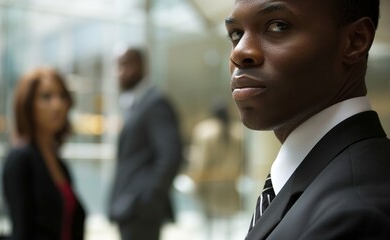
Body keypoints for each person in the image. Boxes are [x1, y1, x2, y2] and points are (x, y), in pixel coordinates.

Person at [225, 0, 390, 239]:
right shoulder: (326, 178)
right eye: (237, 34)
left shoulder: (357, 214)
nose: (240, 52)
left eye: (278, 26)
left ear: (356, 41)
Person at [108, 46, 183, 240]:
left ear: (143, 67)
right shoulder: (137, 104)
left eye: (125, 65)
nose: (119, 73)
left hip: (140, 212)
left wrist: (145, 200)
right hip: (130, 210)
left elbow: (171, 157)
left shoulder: (155, 103)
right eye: (117, 66)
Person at [2, 67, 86, 240]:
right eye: (46, 97)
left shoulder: (59, 162)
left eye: (62, 96)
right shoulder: (20, 160)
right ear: (28, 105)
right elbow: (22, 233)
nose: (57, 105)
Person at [188, 100, 243, 239]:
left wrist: (196, 182)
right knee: (228, 225)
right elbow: (243, 160)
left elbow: (201, 161)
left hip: (208, 183)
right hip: (229, 183)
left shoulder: (204, 131)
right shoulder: (238, 133)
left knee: (208, 225)